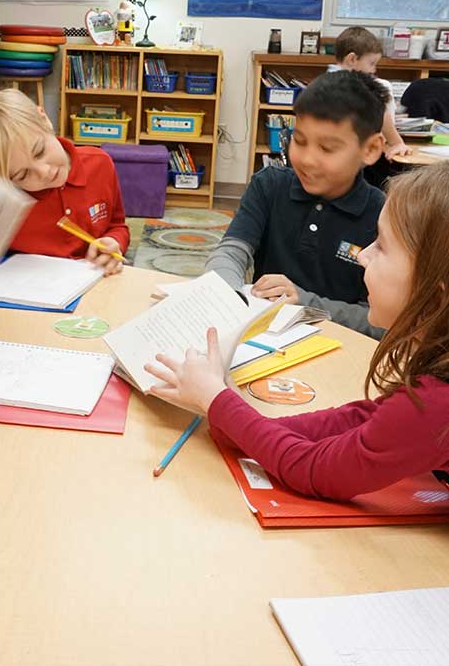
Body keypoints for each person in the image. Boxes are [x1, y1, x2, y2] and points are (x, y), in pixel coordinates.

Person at [146, 161, 449, 502]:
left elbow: (312, 471)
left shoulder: (435, 404)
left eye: (381, 247)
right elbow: (361, 420)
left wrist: (217, 401)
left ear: (433, 297)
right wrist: (228, 410)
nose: (363, 255)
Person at [205, 70, 387, 338]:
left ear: (370, 149)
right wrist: (229, 295)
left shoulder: (383, 215)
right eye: (299, 141)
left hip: (340, 344)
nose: (307, 159)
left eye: (327, 148)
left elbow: (380, 322)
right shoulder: (270, 185)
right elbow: (231, 252)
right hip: (264, 339)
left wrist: (305, 303)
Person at [0, 89, 129, 275]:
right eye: (23, 175)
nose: (44, 172)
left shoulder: (100, 164)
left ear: (43, 118)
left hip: (97, 282)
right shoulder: (6, 203)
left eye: (40, 151)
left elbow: (117, 225)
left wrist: (115, 242)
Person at [329, 26, 412, 167]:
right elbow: (380, 113)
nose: (374, 70)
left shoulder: (325, 82)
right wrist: (397, 142)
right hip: (355, 161)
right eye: (371, 63)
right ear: (352, 59)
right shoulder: (360, 85)